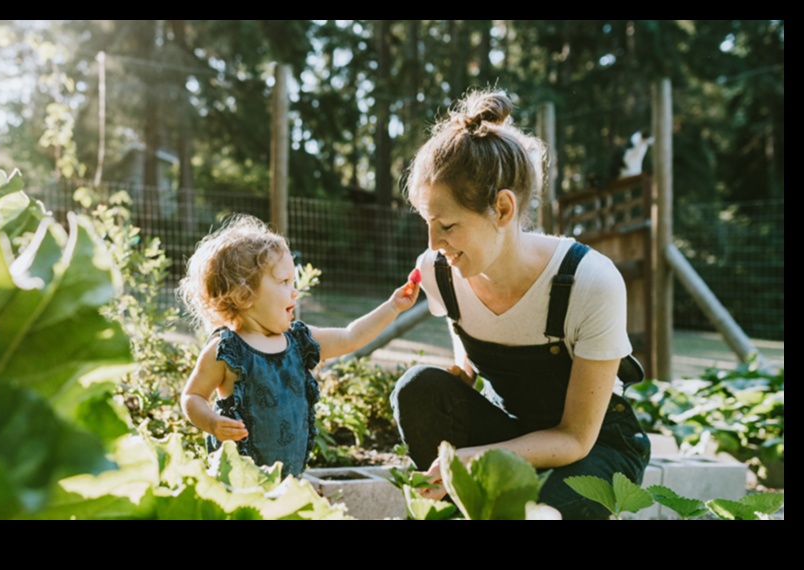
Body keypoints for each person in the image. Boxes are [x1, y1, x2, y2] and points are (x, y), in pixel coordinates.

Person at [390, 88, 651, 519]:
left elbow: (575, 438)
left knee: (526, 513)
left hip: (591, 452)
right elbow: (469, 348)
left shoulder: (590, 281)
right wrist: (463, 376)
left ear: (503, 209)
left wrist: (480, 459)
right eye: (427, 223)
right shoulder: (440, 271)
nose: (434, 243)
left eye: (447, 225)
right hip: (512, 431)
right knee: (418, 388)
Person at [179, 214, 420, 478]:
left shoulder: (298, 341)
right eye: (284, 282)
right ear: (244, 294)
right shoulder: (226, 350)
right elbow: (192, 397)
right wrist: (212, 423)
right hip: (238, 478)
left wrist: (394, 306)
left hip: (289, 478)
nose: (295, 292)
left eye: (294, 282)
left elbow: (351, 337)